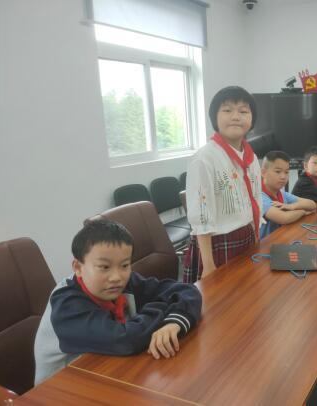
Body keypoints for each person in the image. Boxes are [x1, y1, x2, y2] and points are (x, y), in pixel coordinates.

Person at [34, 219, 202, 384]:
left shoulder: (123, 282)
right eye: (104, 267)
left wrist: (173, 323)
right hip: (62, 390)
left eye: (124, 265)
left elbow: (188, 291)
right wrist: (164, 306)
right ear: (78, 268)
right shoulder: (66, 306)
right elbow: (126, 339)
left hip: (106, 372)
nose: (116, 277)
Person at [183, 86, 262, 283]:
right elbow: (201, 215)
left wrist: (255, 235)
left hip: (246, 235)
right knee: (219, 298)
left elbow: (256, 198)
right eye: (227, 110)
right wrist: (208, 265)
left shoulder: (251, 157)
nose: (236, 116)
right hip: (217, 243)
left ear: (251, 119)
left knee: (246, 291)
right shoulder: (204, 158)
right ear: (215, 118)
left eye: (243, 111)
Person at [260, 151, 316, 239]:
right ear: (263, 172)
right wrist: (303, 212)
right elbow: (283, 218)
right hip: (266, 243)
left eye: (286, 172)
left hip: (282, 237)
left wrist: (292, 206)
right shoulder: (259, 197)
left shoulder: (282, 194)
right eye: (278, 171)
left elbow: (312, 204)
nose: (283, 177)